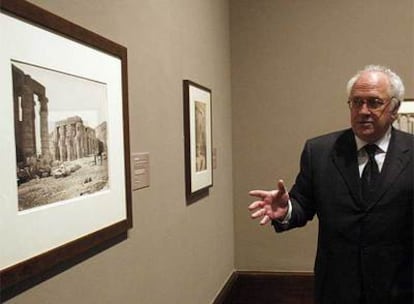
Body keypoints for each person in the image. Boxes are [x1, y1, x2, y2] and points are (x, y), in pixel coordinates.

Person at [248, 65, 413, 304]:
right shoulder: (320, 151)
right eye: (356, 102)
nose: (363, 111)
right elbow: (302, 203)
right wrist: (286, 210)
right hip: (337, 286)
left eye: (374, 102)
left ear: (394, 108)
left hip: (401, 287)